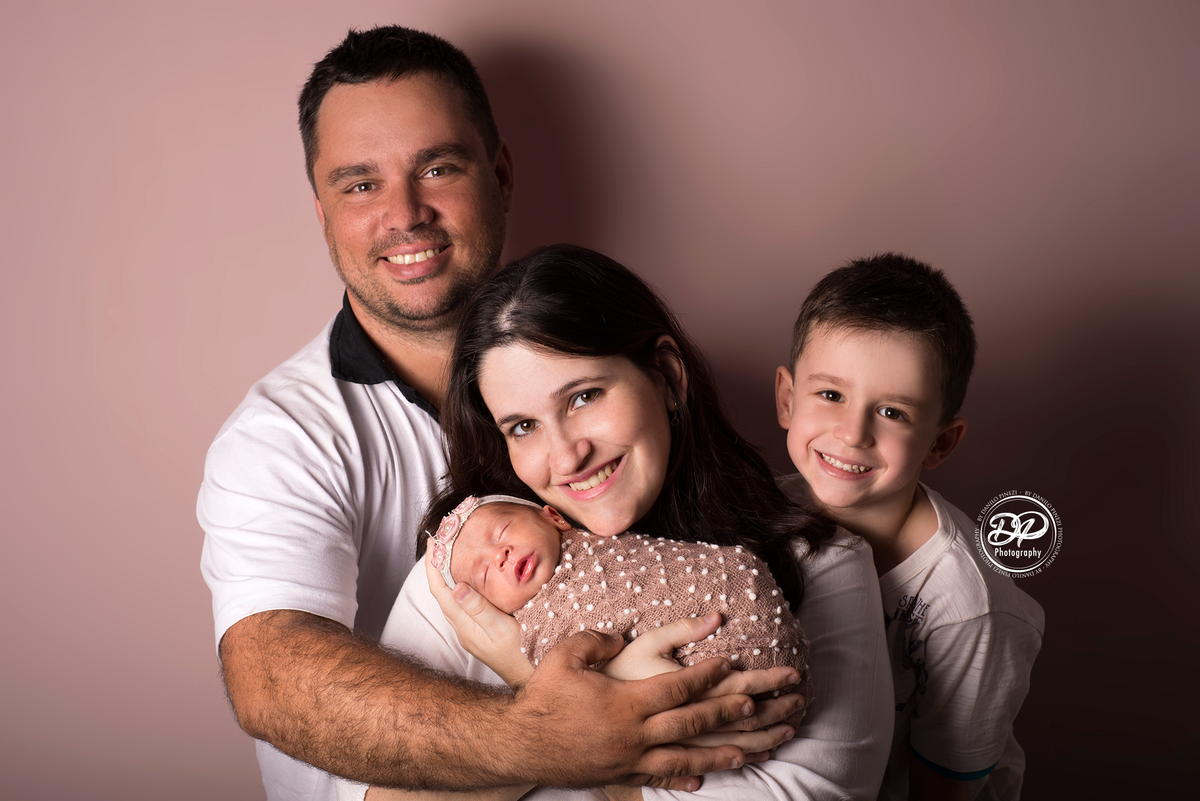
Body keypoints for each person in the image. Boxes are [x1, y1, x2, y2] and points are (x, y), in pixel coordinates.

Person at [198, 25, 799, 801]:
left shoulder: (637, 404)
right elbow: (273, 675)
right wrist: (546, 738)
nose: (404, 213)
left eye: (438, 167)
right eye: (360, 184)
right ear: (321, 212)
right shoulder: (281, 436)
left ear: (501, 174)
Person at [368, 244, 894, 801]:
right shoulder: (476, 561)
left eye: (584, 396)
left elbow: (819, 794)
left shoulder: (821, 559)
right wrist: (554, 730)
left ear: (667, 376)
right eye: (522, 426)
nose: (566, 457)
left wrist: (536, 681)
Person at [773, 253, 1045, 800]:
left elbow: (942, 787)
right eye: (830, 395)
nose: (852, 434)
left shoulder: (968, 606)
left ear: (940, 443)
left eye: (892, 412)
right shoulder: (760, 511)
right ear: (787, 398)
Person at [422, 493, 814, 724]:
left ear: (554, 517)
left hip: (737, 588)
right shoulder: (536, 631)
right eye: (485, 574)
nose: (501, 556)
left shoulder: (598, 534)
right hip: (699, 678)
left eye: (502, 532)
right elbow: (577, 692)